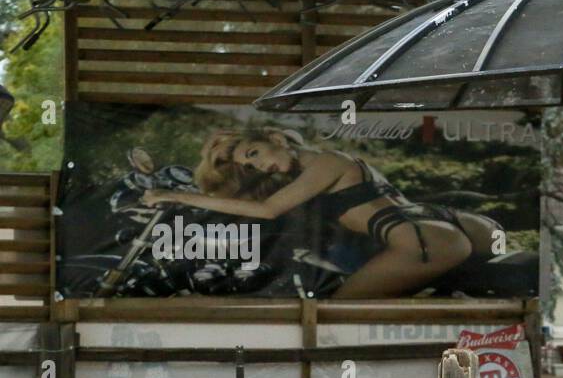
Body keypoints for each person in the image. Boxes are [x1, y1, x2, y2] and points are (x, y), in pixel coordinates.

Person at [141, 127, 501, 298]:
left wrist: (179, 197)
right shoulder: (308, 172)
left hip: (421, 242)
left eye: (253, 153)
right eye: (247, 166)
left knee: (335, 314)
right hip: (440, 227)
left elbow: (267, 210)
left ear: (276, 139)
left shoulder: (328, 161)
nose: (257, 166)